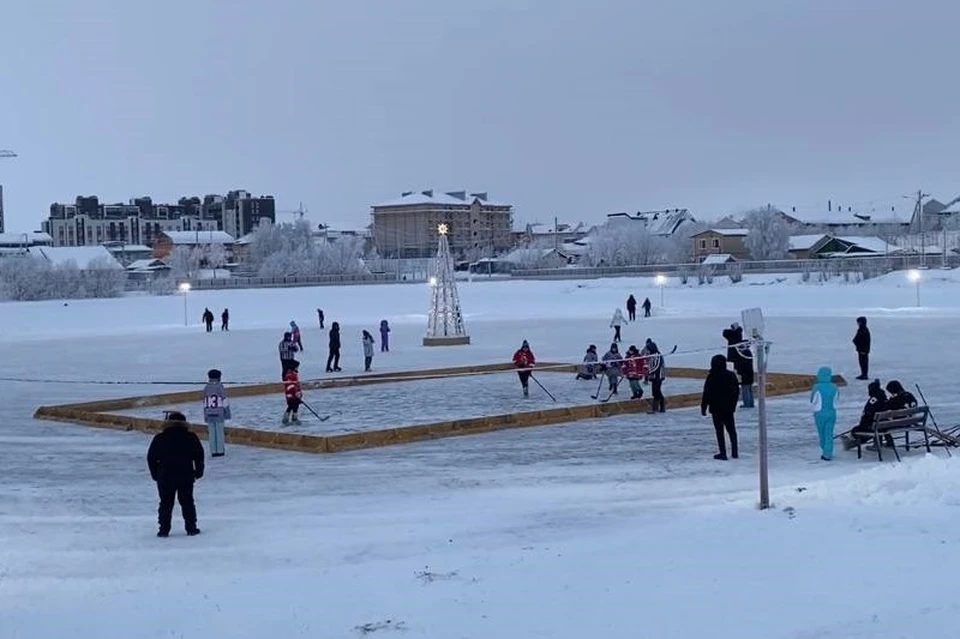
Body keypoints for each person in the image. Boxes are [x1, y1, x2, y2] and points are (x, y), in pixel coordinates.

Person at [147, 411, 204, 537]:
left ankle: (163, 530)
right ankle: (191, 528)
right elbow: (199, 456)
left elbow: (151, 458)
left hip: (165, 476)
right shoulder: (191, 437)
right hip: (186, 475)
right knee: (187, 502)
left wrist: (155, 474)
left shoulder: (160, 438)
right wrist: (198, 472)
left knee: (165, 503)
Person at [701, 354, 741, 460]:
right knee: (732, 430)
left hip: (716, 408)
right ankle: (735, 452)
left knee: (719, 431)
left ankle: (723, 452)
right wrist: (733, 404)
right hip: (728, 408)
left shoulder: (712, 376)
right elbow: (736, 391)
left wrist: (704, 407)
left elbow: (707, 393)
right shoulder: (731, 375)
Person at [843, 379, 888, 449]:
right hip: (884, 424)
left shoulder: (873, 400)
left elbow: (867, 413)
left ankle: (852, 442)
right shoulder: (884, 397)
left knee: (856, 430)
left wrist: (862, 424)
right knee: (877, 425)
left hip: (875, 426)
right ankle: (881, 442)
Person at [722, 323, 755, 408]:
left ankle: (747, 404)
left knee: (745, 387)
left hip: (742, 370)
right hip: (748, 370)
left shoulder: (734, 344)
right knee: (748, 387)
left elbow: (725, 333)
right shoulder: (745, 349)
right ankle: (750, 403)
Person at [810, 366, 839, 461]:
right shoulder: (834, 387)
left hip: (820, 414)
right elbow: (836, 400)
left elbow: (813, 400)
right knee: (829, 433)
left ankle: (825, 451)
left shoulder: (817, 387)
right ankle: (828, 452)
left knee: (822, 433)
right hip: (832, 413)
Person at [202, 368, 231, 458]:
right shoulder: (219, 386)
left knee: (211, 433)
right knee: (219, 432)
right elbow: (224, 400)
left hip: (209, 412)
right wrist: (227, 413)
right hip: (219, 413)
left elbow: (204, 401)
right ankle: (220, 450)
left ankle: (213, 451)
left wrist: (205, 414)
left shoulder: (206, 387)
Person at [644, 338, 666, 413]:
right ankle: (655, 408)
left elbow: (656, 366)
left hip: (658, 376)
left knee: (657, 391)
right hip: (654, 377)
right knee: (654, 392)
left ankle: (661, 407)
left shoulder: (657, 355)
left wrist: (649, 371)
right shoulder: (652, 355)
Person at [282, 360, 303, 425]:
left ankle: (293, 417)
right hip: (291, 394)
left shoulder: (294, 374)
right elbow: (291, 385)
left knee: (295, 406)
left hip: (295, 394)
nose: (297, 368)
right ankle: (288, 418)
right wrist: (295, 392)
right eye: (297, 367)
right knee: (291, 405)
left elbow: (296, 384)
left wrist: (299, 392)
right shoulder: (290, 375)